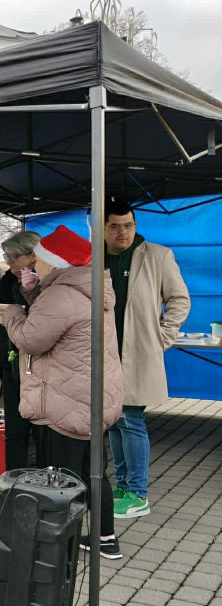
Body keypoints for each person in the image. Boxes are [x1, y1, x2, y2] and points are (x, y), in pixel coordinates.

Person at [0, 225, 125, 559]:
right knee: (93, 471)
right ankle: (105, 537)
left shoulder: (62, 294)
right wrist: (31, 296)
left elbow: (31, 338)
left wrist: (11, 313)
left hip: (66, 399)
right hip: (92, 396)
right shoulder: (89, 286)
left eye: (38, 261)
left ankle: (59, 542)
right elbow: (59, 323)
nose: (33, 266)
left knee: (62, 476)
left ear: (53, 263)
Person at [103, 196, 190, 520]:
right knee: (113, 421)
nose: (122, 232)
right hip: (104, 357)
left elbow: (180, 300)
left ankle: (138, 493)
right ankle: (123, 486)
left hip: (137, 355)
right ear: (104, 228)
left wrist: (162, 337)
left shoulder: (157, 256)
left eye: (128, 226)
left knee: (131, 420)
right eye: (115, 227)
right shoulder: (95, 259)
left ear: (135, 225)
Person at [0, 231, 39, 516]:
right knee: (14, 431)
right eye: (7, 257)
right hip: (9, 361)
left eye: (15, 257)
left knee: (39, 430)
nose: (10, 263)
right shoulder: (7, 280)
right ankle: (11, 492)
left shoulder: (46, 281)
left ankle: (39, 492)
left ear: (33, 255)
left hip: (36, 365)